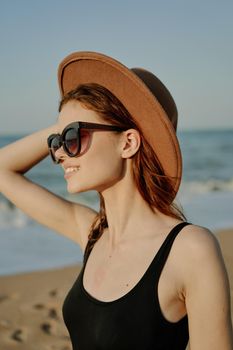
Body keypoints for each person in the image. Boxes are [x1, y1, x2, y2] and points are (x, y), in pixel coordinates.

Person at [0, 51, 232, 350]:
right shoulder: (92, 233)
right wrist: (68, 122)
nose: (58, 153)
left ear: (128, 142)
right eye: (57, 141)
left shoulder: (190, 249)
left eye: (72, 137)